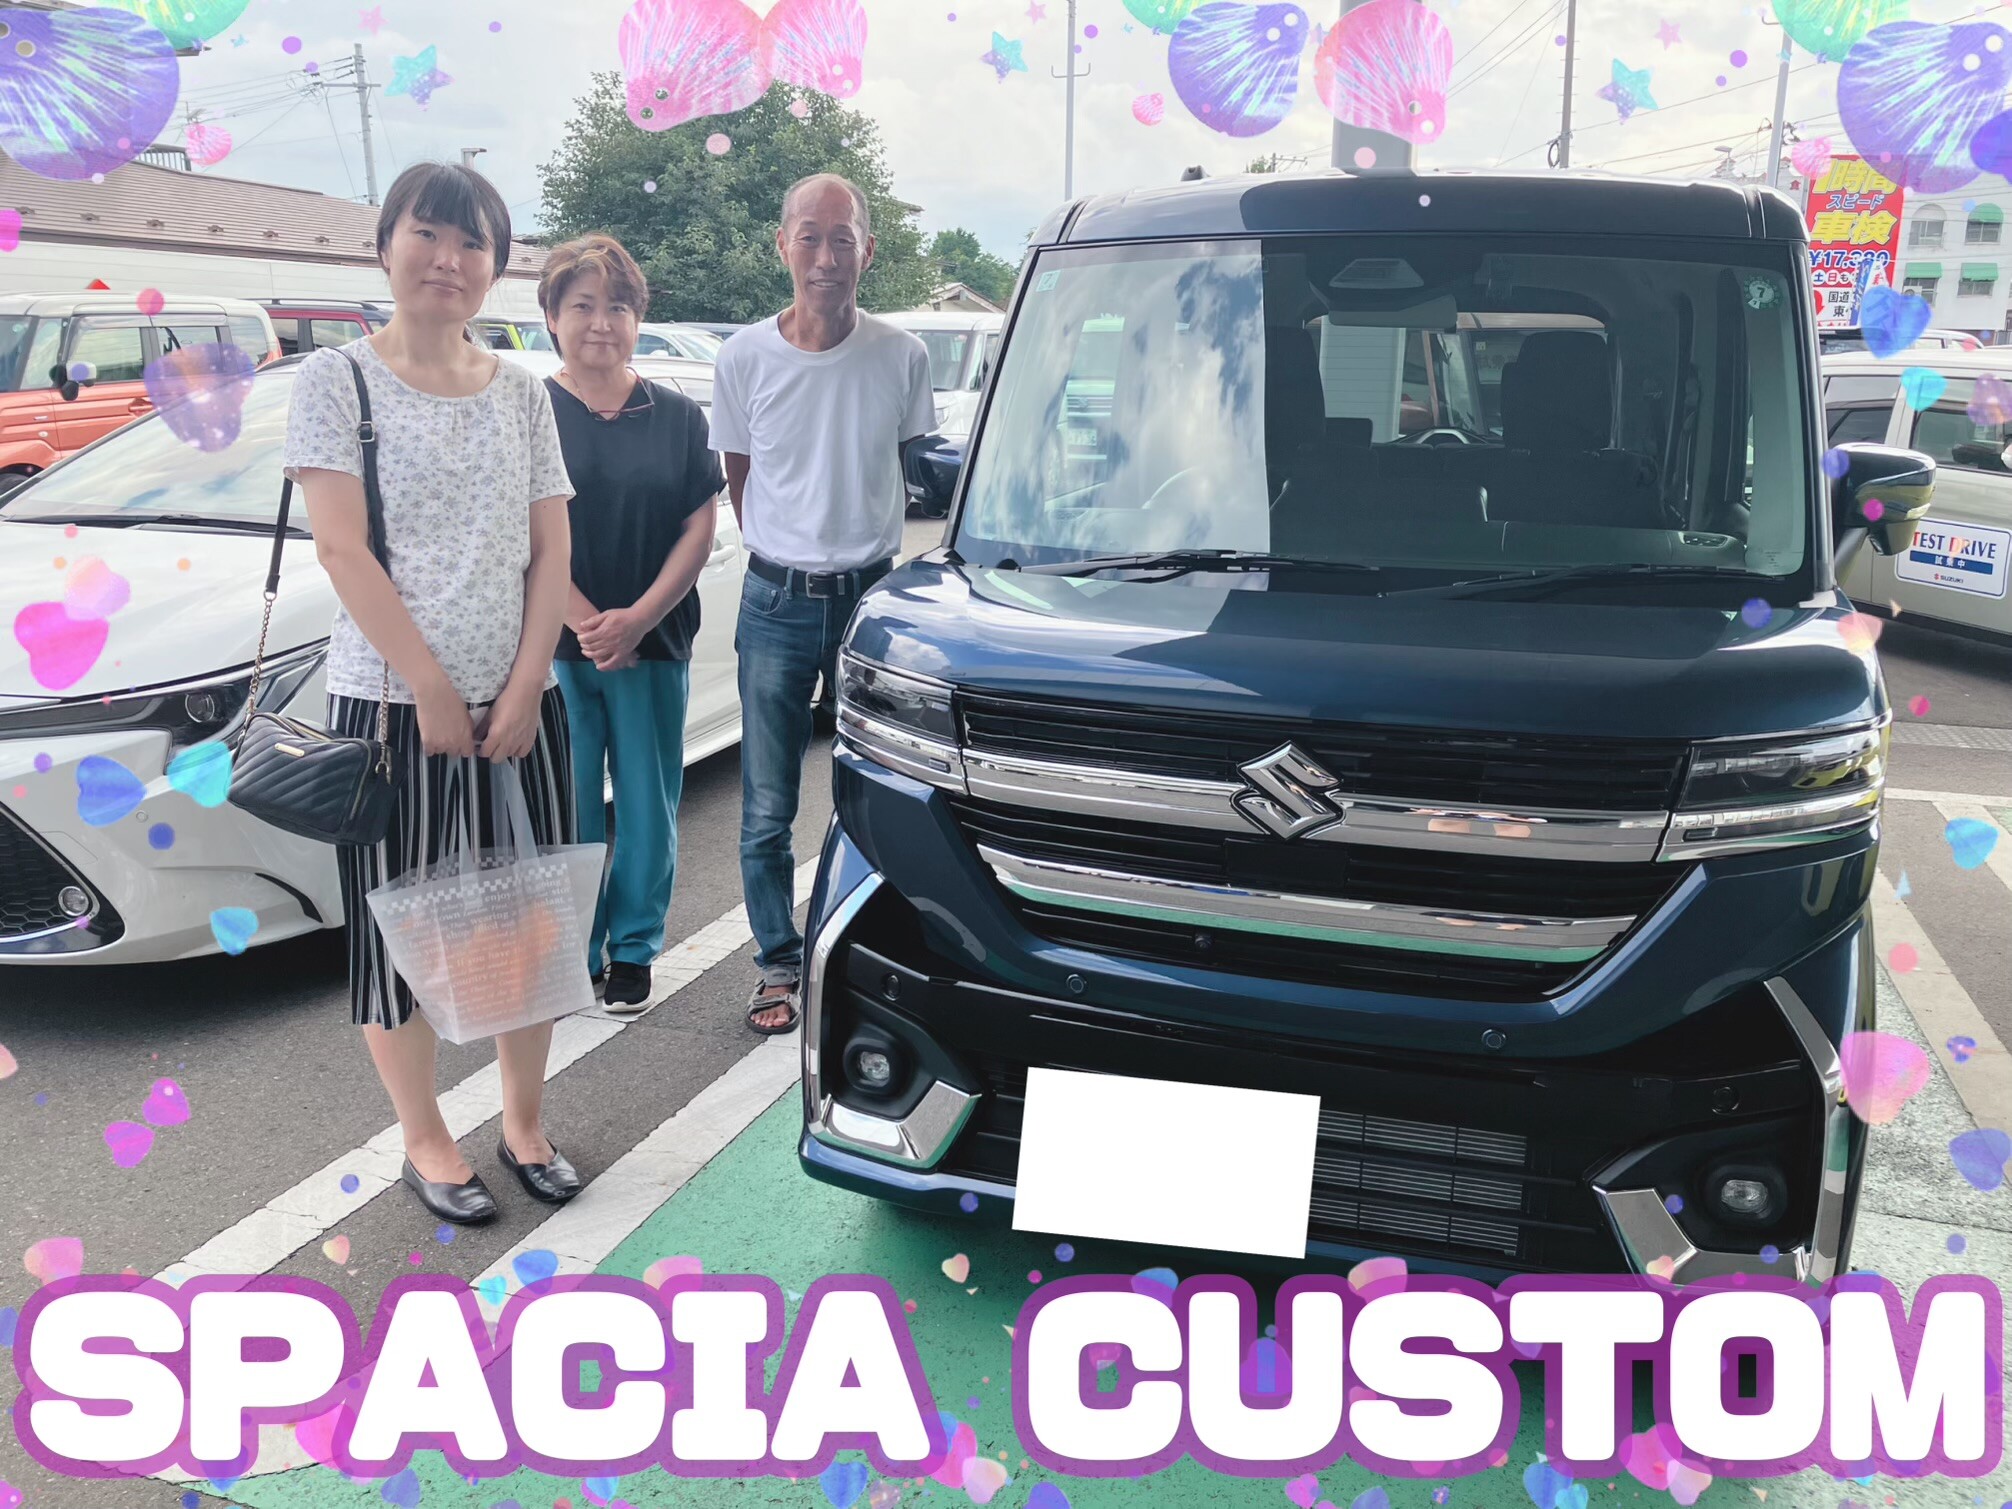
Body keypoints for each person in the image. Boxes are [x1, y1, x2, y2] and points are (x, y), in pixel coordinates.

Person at [284, 161, 584, 1224]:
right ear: (386, 246)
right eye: (427, 233)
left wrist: (527, 679)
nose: (447, 259)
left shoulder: (522, 390)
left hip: (519, 707)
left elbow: (552, 549)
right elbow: (341, 548)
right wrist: (427, 685)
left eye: (472, 243)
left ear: (496, 267)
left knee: (527, 924)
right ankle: (425, 1136)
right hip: (387, 711)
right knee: (394, 932)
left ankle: (523, 1122)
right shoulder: (337, 381)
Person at [709, 173, 936, 1036]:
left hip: (872, 604)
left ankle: (871, 956)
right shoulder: (743, 358)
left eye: (843, 238)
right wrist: (787, 545)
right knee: (768, 803)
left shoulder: (900, 355)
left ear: (867, 251)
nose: (826, 255)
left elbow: (915, 472)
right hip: (775, 600)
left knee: (880, 793)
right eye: (810, 235)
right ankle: (777, 963)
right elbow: (740, 477)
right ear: (782, 245)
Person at [538, 235, 722, 1010]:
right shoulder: (529, 411)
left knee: (648, 800)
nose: (600, 323)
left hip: (653, 641)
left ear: (638, 318)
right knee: (570, 805)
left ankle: (635, 947)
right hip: (554, 646)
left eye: (618, 306)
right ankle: (576, 949)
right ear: (551, 317)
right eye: (582, 305)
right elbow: (519, 532)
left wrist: (638, 619)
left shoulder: (675, 414)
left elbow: (699, 525)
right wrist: (587, 622)